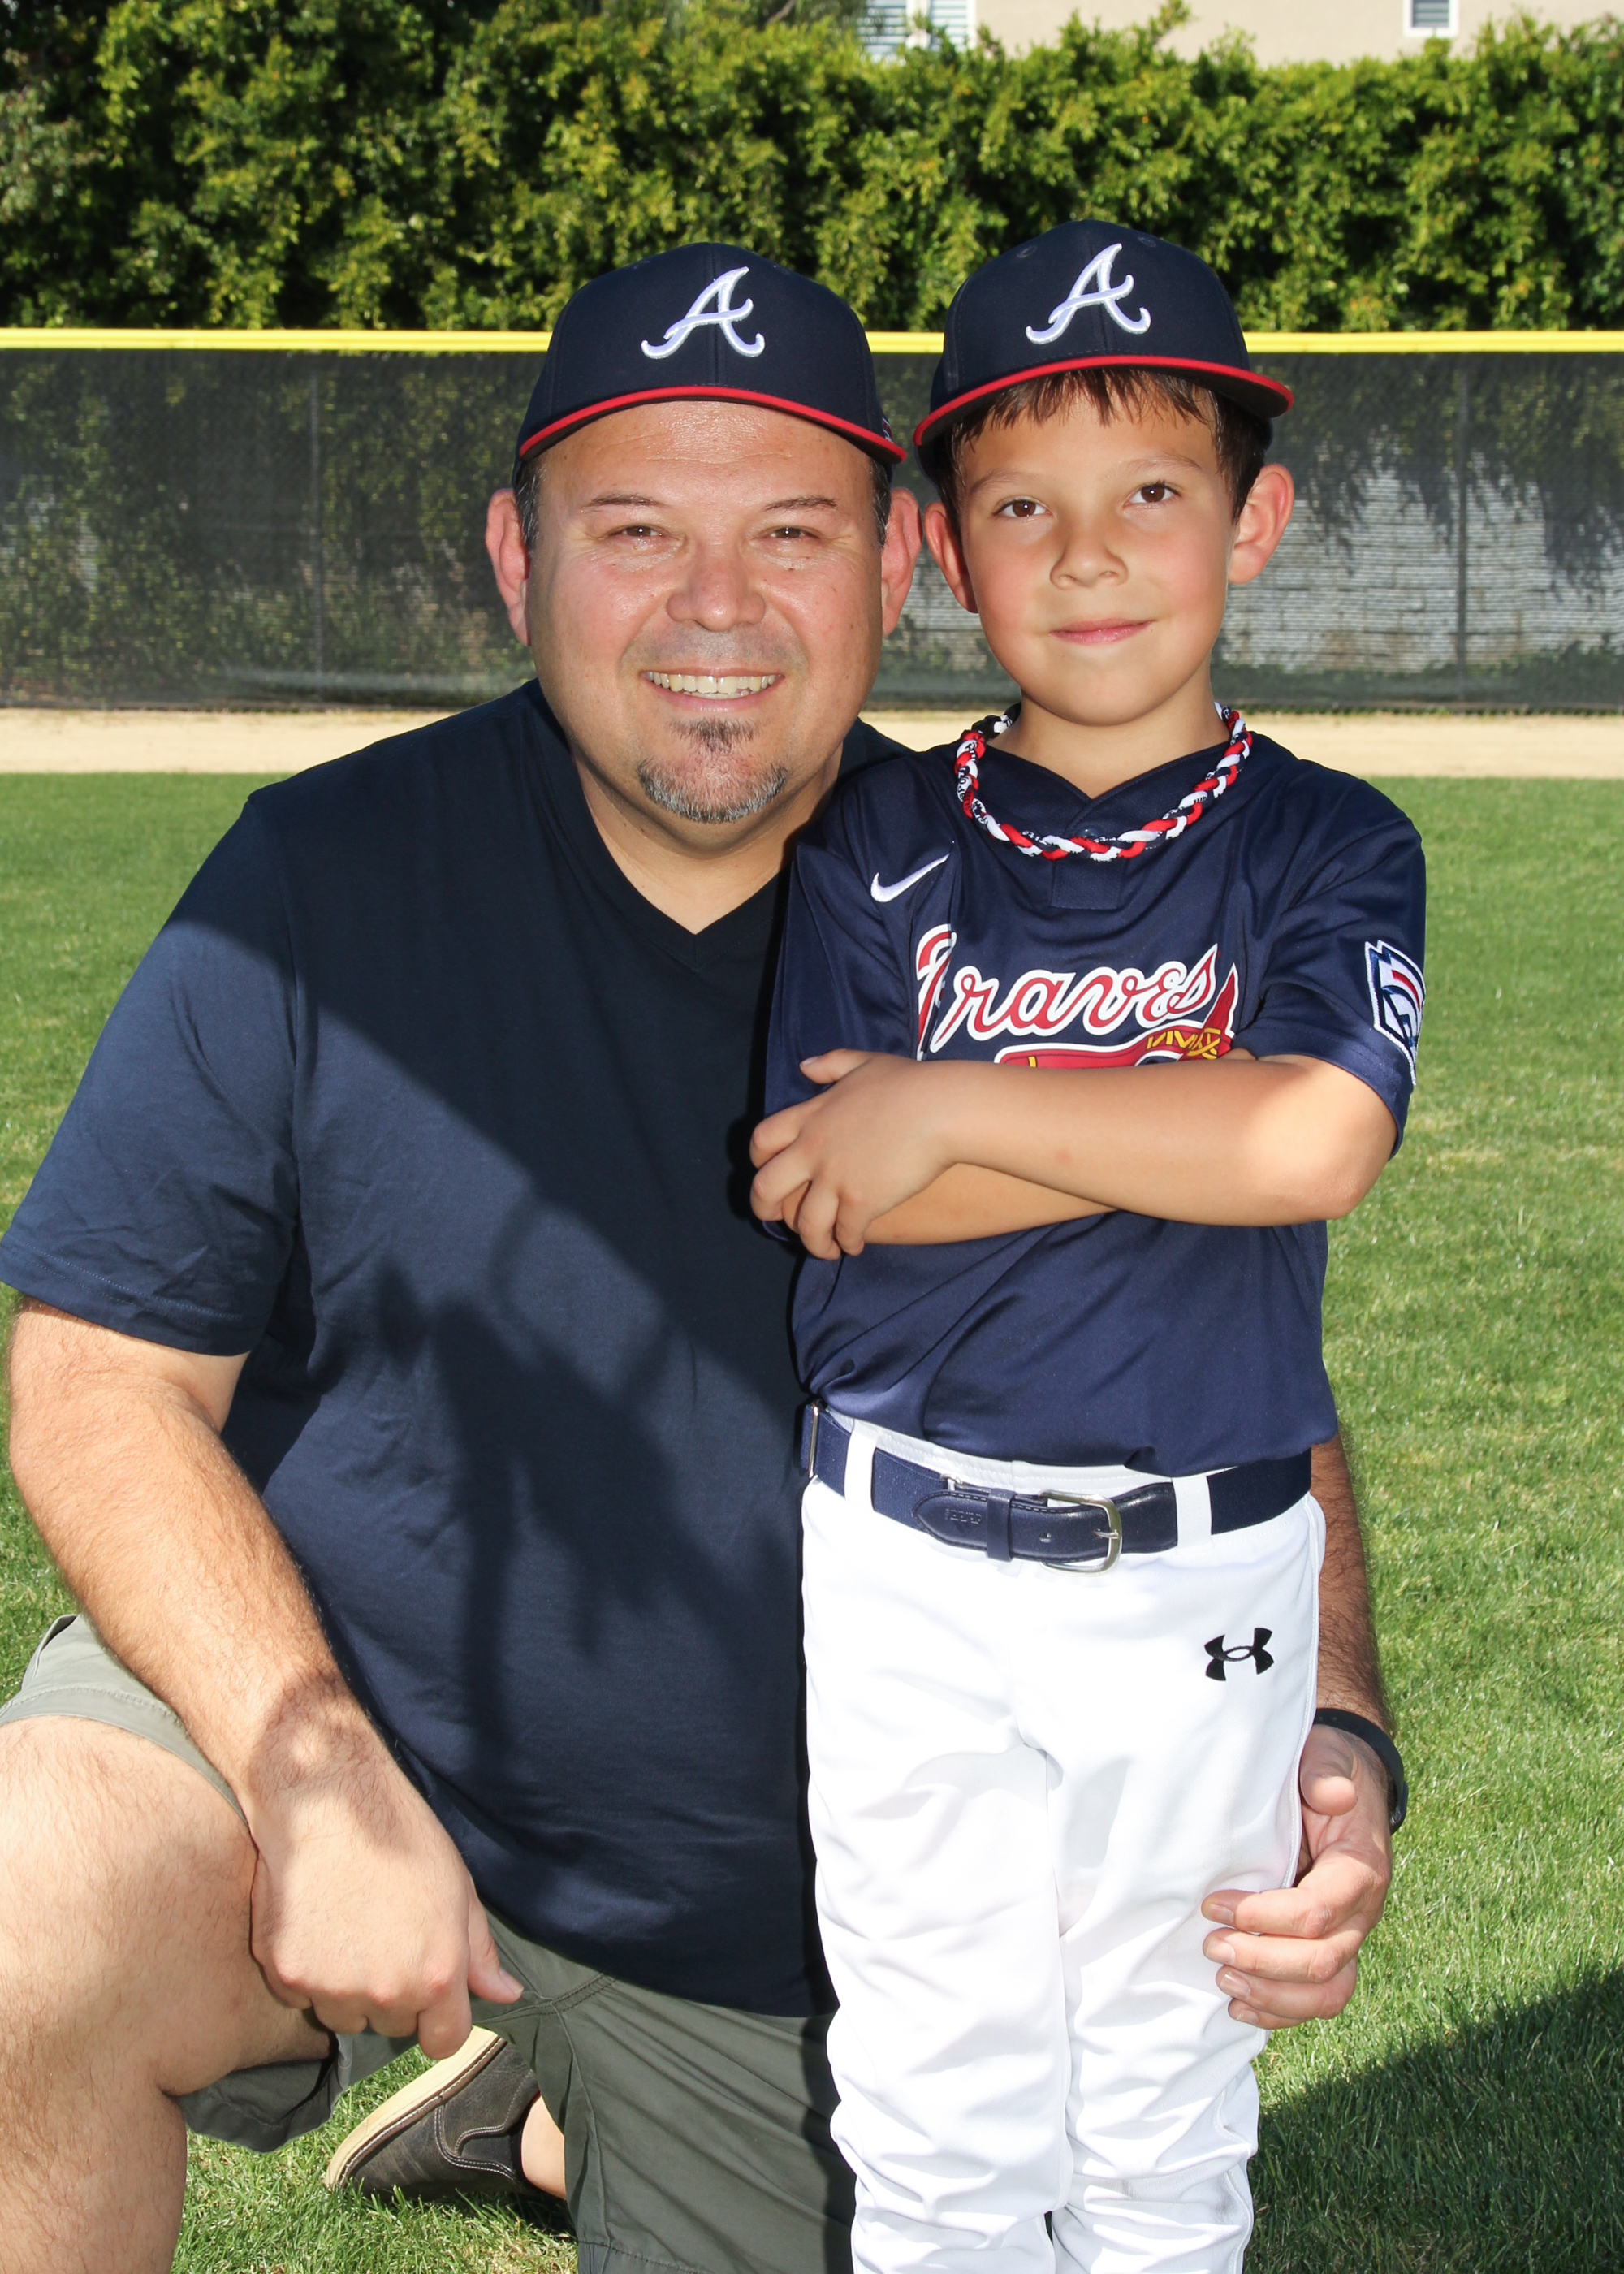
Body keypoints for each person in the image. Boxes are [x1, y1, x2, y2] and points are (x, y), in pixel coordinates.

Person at [0, 243, 1392, 2274]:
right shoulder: (322, 875)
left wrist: (1331, 1728)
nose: (716, 606)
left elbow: (1229, 1354)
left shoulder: (1022, 895)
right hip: (345, 1726)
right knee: (30, 1907)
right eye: (635, 529)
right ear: (517, 556)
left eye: (792, 533)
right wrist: (310, 1767)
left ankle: (554, 2111)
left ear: (899, 562)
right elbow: (95, 1378)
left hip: (794, 1911)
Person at [749, 221, 1420, 2274]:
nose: (1091, 553)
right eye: (1022, 505)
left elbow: (1313, 1136)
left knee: (1157, 2118)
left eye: (1152, 492)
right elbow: (841, 1186)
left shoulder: (1326, 838)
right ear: (947, 553)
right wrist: (1179, 1111)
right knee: (935, 2122)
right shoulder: (876, 842)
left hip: (1201, 1564)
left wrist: (953, 1099)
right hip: (907, 1564)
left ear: (1255, 521)